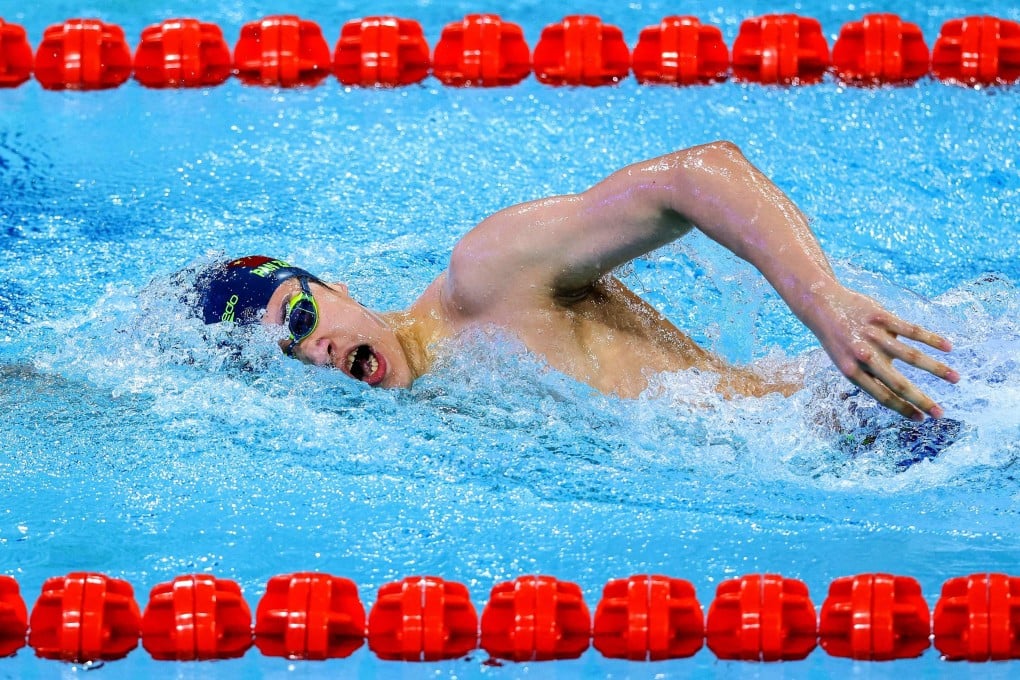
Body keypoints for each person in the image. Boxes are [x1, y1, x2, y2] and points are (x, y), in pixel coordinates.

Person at [183, 141, 959, 421]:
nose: (313, 351)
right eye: (285, 356)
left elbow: (695, 175)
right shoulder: (434, 411)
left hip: (869, 401)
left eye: (300, 318)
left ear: (341, 289)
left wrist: (823, 302)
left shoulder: (484, 278)